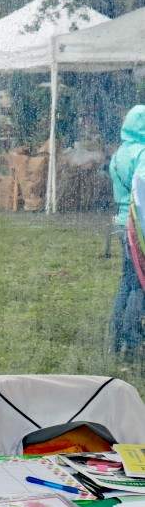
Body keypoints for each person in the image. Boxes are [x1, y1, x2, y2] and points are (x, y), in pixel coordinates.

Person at [108, 105, 145, 356]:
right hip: (138, 226)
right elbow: (142, 193)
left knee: (126, 281)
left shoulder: (119, 152)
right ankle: (132, 342)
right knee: (140, 285)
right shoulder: (142, 153)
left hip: (121, 223)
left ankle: (116, 334)